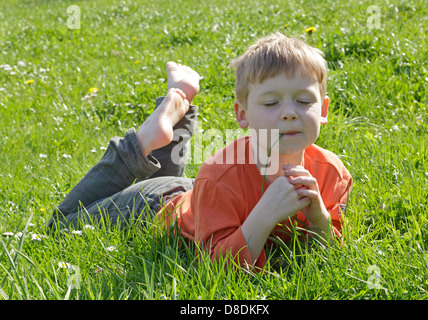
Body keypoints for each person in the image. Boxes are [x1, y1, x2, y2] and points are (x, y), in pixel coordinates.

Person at [48, 32, 352, 270]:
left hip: (200, 199)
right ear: (242, 115)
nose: (289, 113)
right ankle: (143, 140)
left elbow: (328, 251)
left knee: (193, 189)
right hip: (153, 206)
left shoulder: (332, 173)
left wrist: (320, 219)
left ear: (323, 109)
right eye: (271, 103)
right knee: (60, 226)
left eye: (304, 101)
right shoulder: (220, 175)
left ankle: (175, 112)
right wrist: (265, 214)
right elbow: (216, 266)